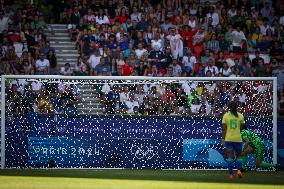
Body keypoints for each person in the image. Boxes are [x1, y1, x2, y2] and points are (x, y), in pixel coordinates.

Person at [222, 101, 244, 179]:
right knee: (239, 156)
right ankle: (238, 171)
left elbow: (224, 129)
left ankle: (231, 174)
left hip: (229, 139)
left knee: (230, 157)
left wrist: (223, 139)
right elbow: (242, 129)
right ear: (236, 107)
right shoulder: (241, 116)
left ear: (229, 108)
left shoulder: (225, 116)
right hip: (238, 139)